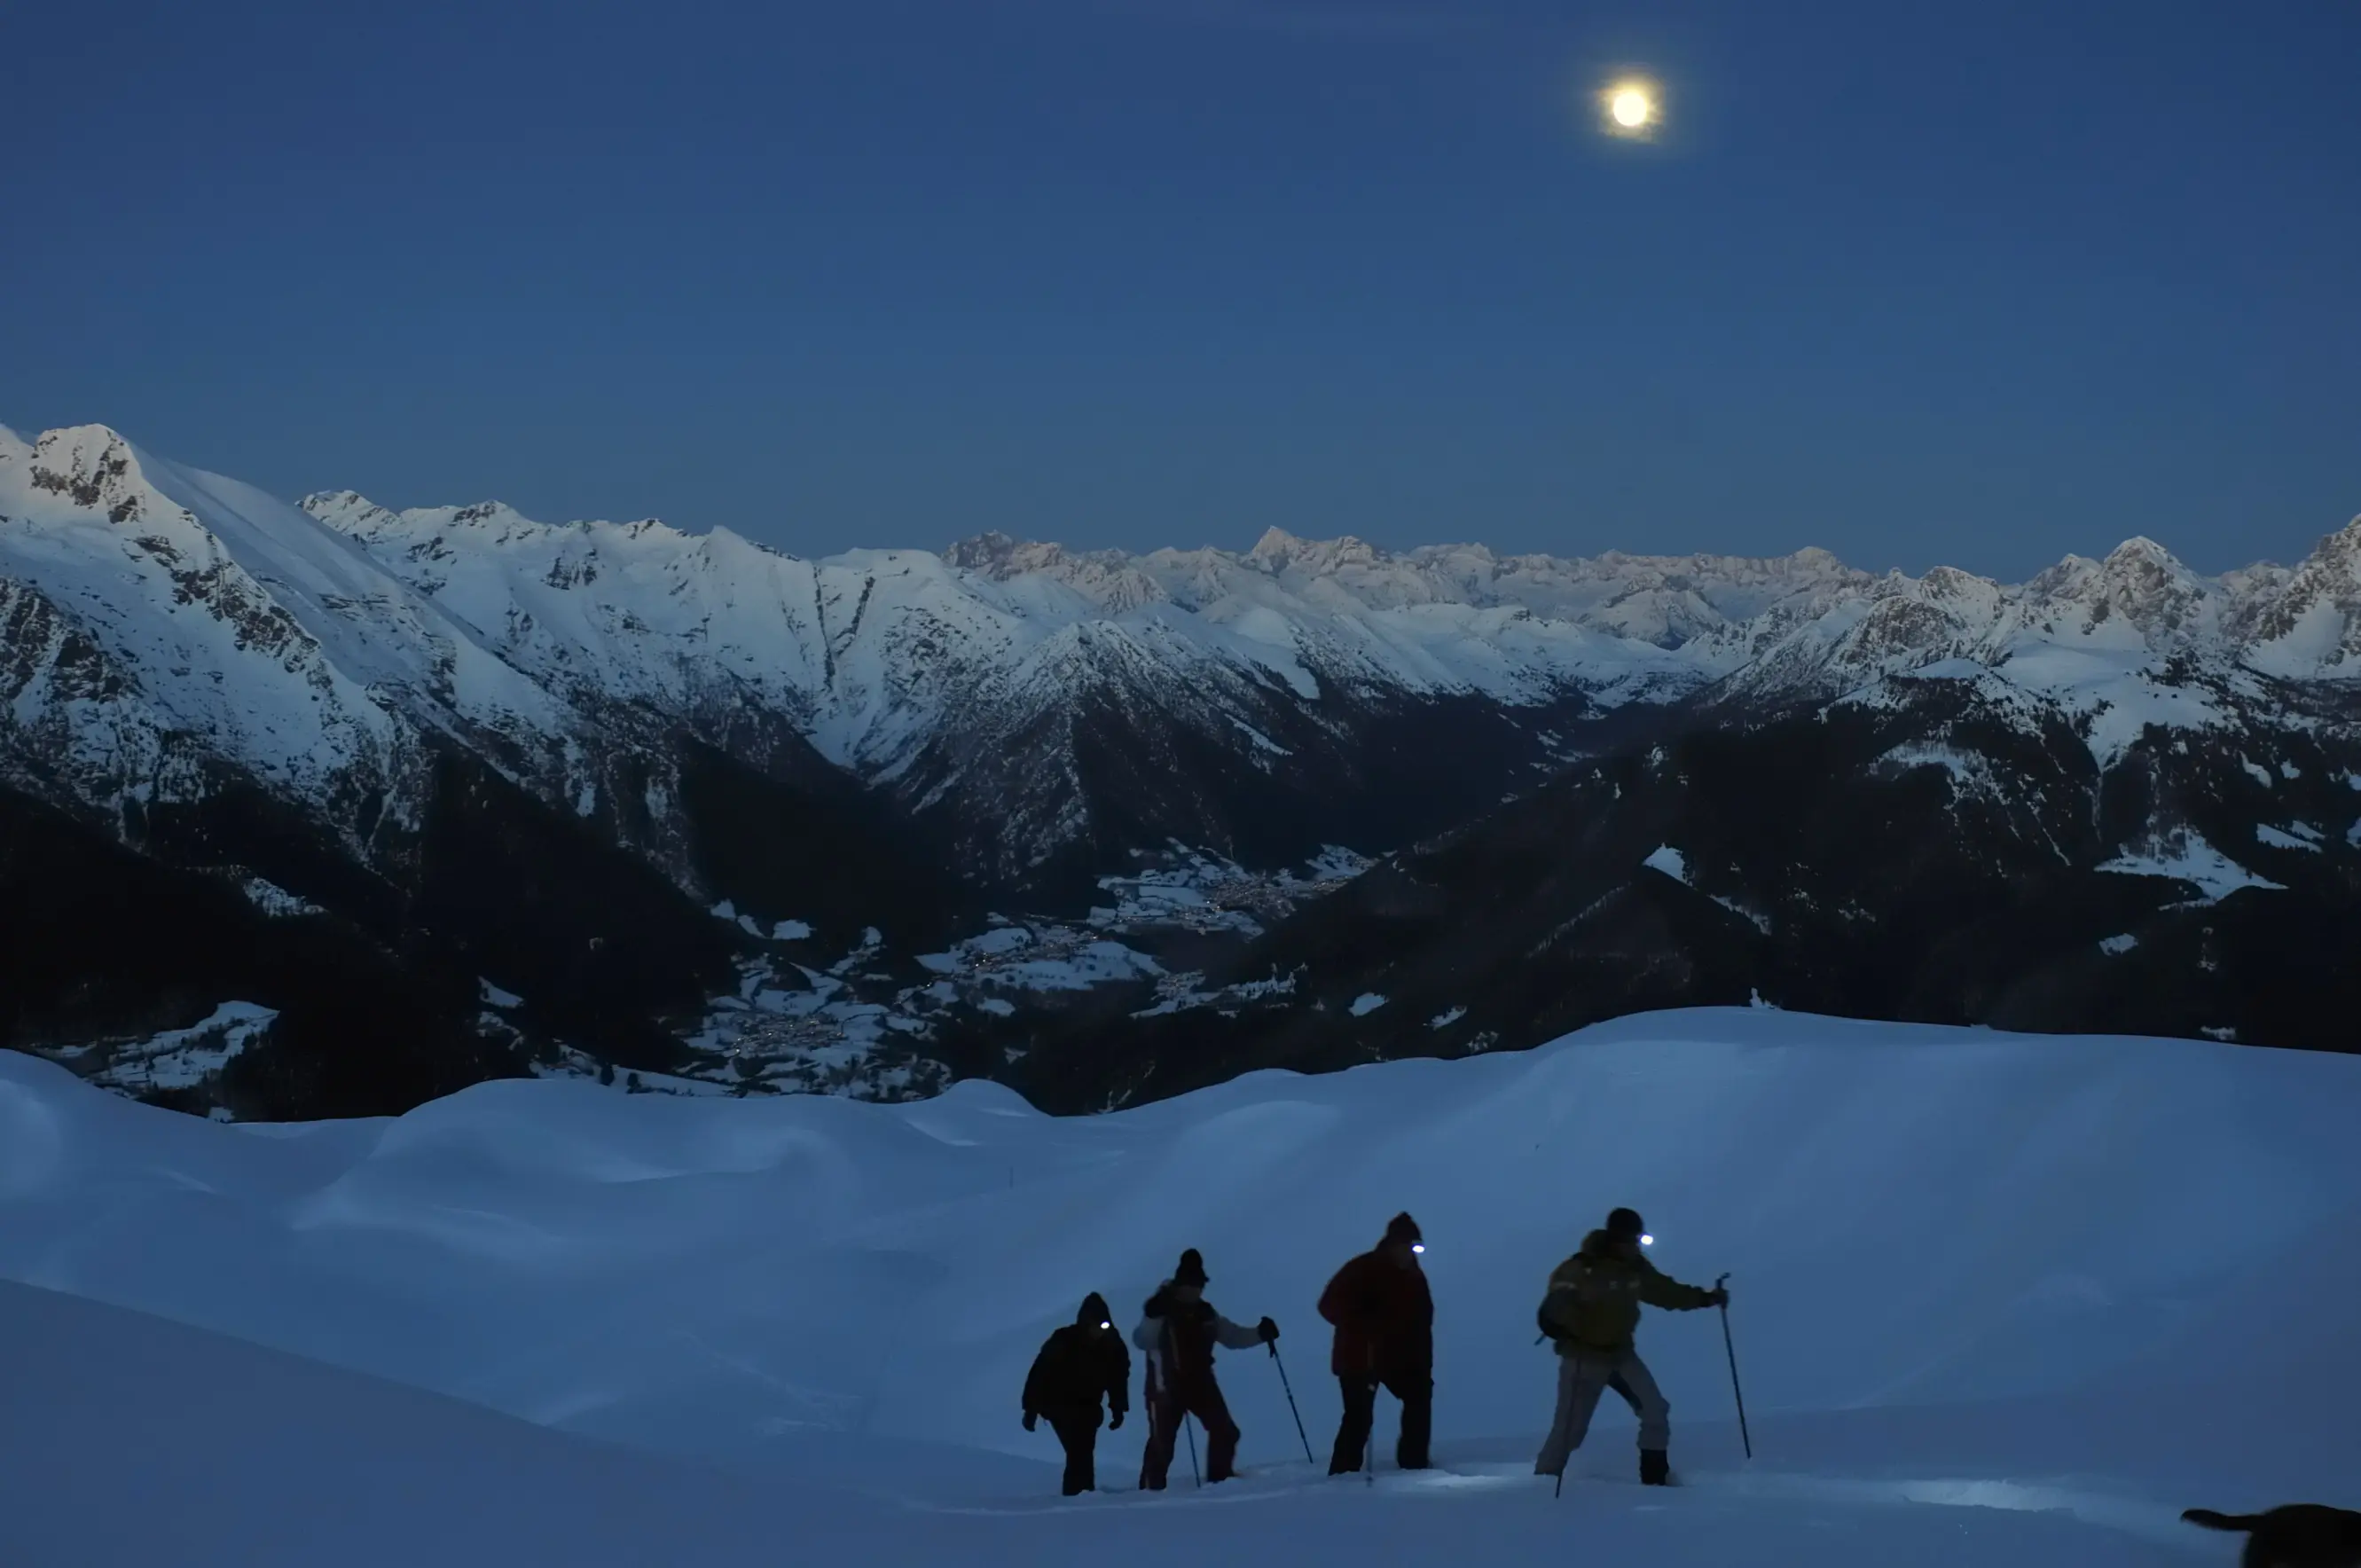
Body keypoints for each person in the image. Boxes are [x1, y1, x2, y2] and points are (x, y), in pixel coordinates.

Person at [1533, 1206, 1725, 1486]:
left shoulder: (1635, 1269)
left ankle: (1655, 1480)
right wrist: (1562, 1321)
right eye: (1632, 1240)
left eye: (1639, 1240)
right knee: (1570, 1430)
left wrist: (1706, 1299)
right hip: (1583, 1359)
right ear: (1615, 1240)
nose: (1636, 1246)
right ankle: (1543, 1486)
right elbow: (1552, 1309)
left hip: (1620, 1356)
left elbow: (1665, 1293)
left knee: (1655, 1409)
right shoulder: (1582, 1268)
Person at [1133, 1249, 1277, 1488]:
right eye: (1190, 1285)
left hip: (1200, 1382)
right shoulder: (1161, 1309)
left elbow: (1231, 1336)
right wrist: (1152, 1317)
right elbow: (1142, 1340)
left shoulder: (1205, 1313)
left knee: (1226, 1432)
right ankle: (1150, 1491)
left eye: (1198, 1285)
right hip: (1165, 1385)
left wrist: (1260, 1334)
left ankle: (1219, 1483)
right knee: (1162, 1443)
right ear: (1179, 1285)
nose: (1195, 1290)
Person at [1317, 1211, 1433, 1474]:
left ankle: (1414, 1462)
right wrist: (1358, 1314)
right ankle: (1343, 1473)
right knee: (1359, 1414)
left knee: (1419, 1394)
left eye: (1414, 1247)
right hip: (1358, 1355)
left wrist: (1423, 1364)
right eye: (1404, 1246)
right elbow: (1327, 1306)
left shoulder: (1415, 1279)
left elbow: (1423, 1323)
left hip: (1394, 1357)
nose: (1409, 1253)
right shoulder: (1362, 1268)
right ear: (1392, 1245)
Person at [1022, 1291, 1131, 1496]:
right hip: (1057, 1404)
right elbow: (1039, 1373)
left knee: (1083, 1450)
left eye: (1104, 1325)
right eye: (1095, 1325)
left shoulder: (1112, 1345)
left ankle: (1084, 1494)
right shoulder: (1064, 1340)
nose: (1099, 1330)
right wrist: (1031, 1409)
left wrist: (1118, 1407)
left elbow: (1118, 1377)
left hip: (1088, 1406)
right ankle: (1076, 1496)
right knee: (1078, 1450)